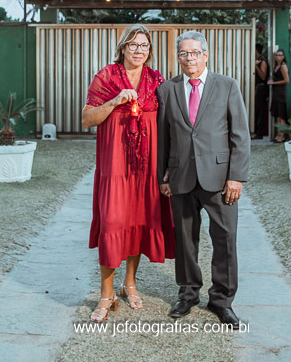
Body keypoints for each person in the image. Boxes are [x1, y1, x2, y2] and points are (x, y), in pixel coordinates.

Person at [81, 24, 176, 322]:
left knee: (140, 220)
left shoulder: (157, 80)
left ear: (150, 52)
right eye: (133, 45)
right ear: (122, 47)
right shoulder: (106, 76)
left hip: (147, 166)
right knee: (112, 221)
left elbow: (170, 125)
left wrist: (168, 170)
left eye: (144, 46)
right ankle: (106, 293)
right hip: (115, 165)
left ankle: (129, 282)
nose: (139, 50)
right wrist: (115, 101)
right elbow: (86, 119)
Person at [157, 30, 251, 327]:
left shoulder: (227, 86)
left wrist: (235, 176)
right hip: (181, 176)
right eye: (183, 53)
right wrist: (163, 175)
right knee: (185, 240)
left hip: (220, 178)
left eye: (195, 52)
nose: (189, 58)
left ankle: (222, 301)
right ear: (178, 57)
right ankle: (188, 293)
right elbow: (163, 137)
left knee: (225, 239)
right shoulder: (167, 90)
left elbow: (240, 135)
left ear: (206, 55)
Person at [268, 48, 289, 142]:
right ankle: (279, 134)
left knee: (282, 115)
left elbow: (287, 80)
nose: (277, 57)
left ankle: (282, 135)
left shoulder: (283, 66)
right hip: (276, 92)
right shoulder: (276, 66)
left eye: (280, 55)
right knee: (278, 115)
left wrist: (273, 83)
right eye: (276, 55)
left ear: (283, 57)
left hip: (281, 93)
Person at [253, 44, 269, 139]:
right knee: (257, 110)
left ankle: (260, 133)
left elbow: (263, 76)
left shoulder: (262, 61)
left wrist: (256, 66)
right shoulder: (259, 60)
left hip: (261, 89)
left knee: (260, 111)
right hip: (258, 89)